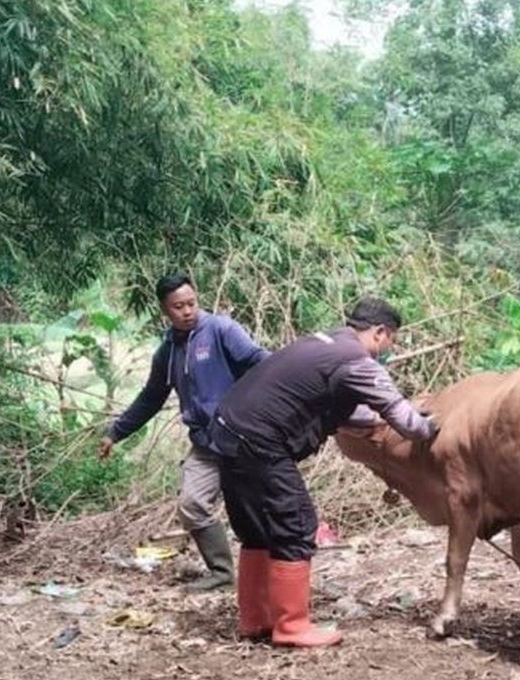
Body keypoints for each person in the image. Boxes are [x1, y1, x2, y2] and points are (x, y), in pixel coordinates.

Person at [209, 297, 438, 648]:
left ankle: (255, 620)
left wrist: (377, 420)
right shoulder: (358, 361)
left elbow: (336, 408)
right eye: (392, 340)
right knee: (297, 524)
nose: (390, 349)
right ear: (380, 332)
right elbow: (407, 421)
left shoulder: (322, 343)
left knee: (257, 529)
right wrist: (436, 423)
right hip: (260, 441)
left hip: (227, 431)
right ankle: (292, 626)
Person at [100, 273, 270, 592]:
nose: (188, 311)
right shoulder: (167, 352)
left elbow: (261, 362)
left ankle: (272, 571)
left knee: (254, 506)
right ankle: (221, 573)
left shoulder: (221, 330)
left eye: (191, 303)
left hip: (241, 438)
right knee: (192, 505)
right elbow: (150, 397)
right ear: (165, 310)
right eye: (179, 306)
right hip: (205, 444)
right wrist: (116, 432)